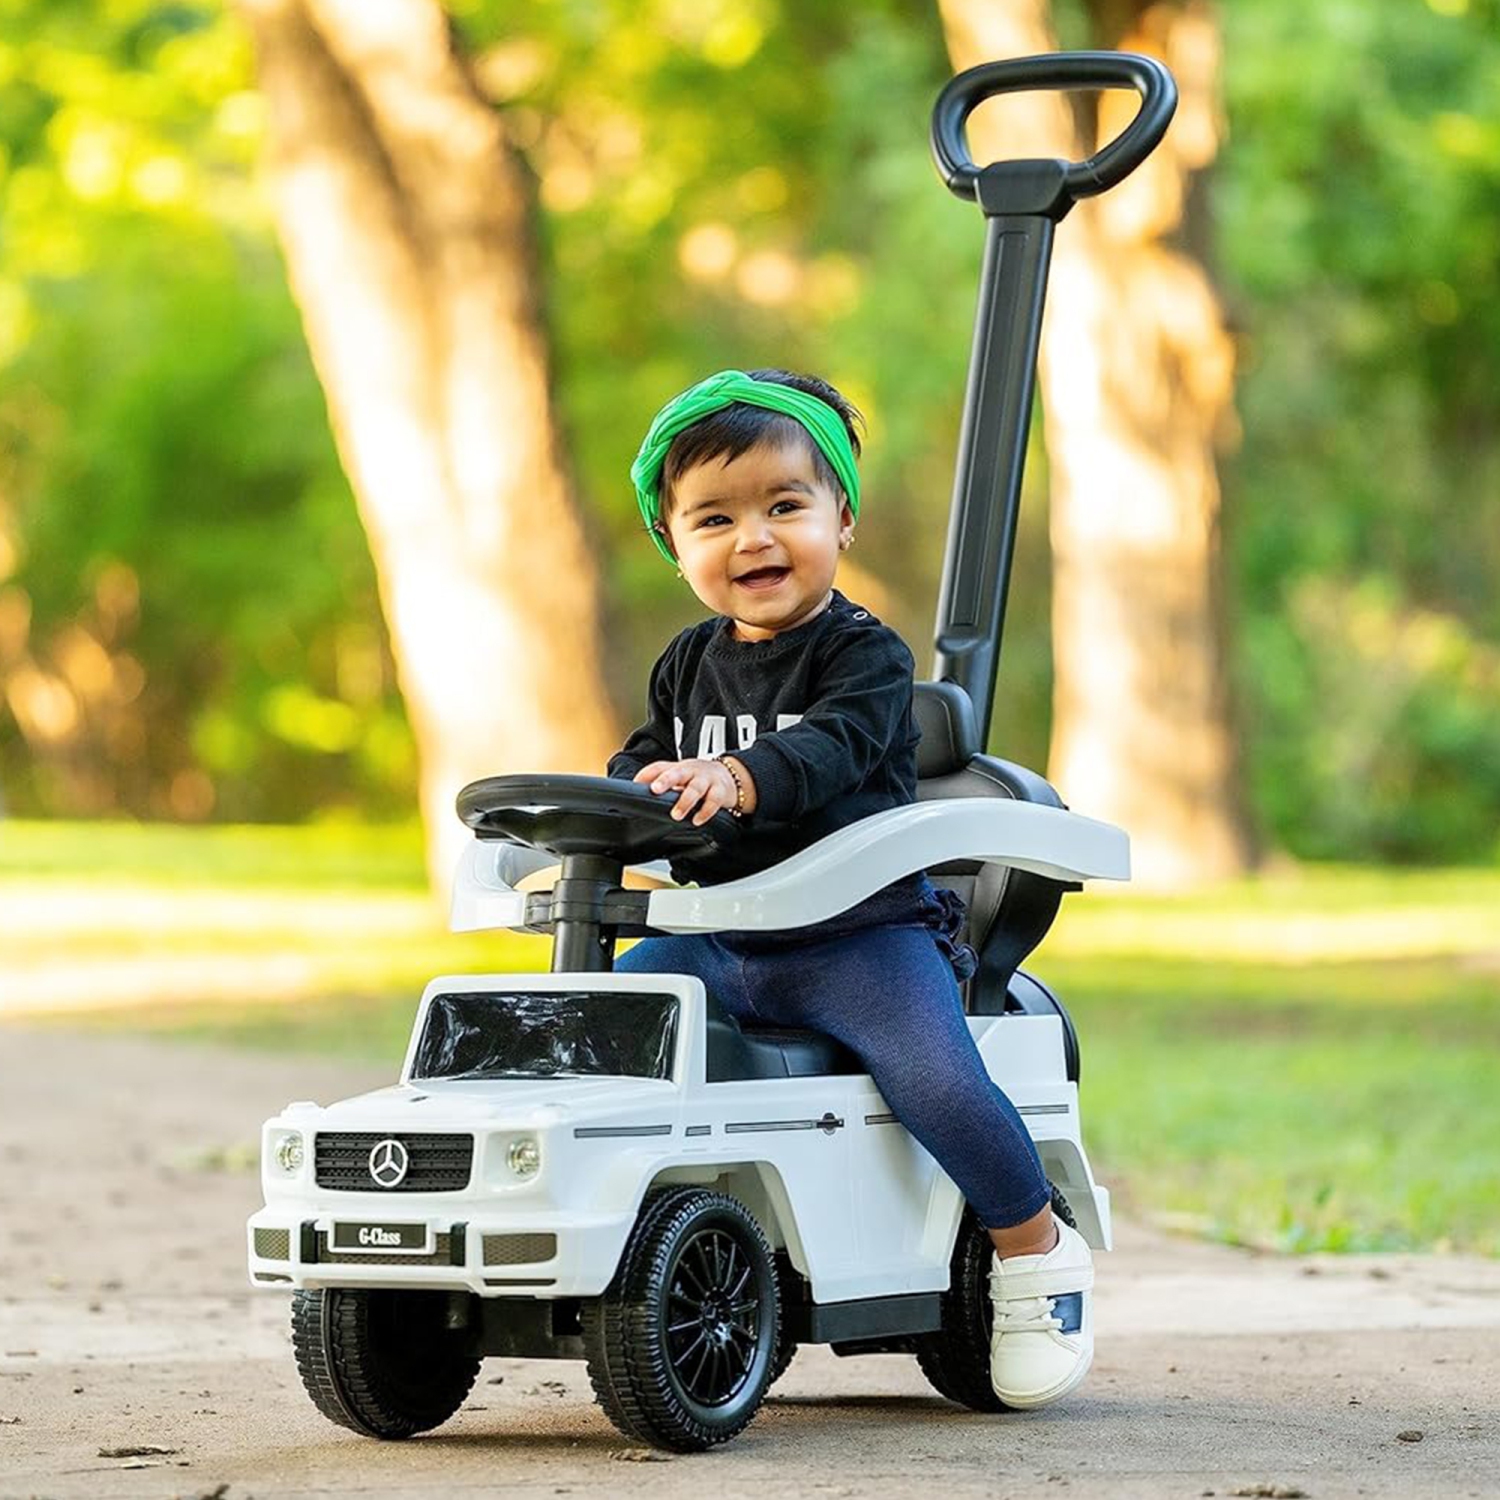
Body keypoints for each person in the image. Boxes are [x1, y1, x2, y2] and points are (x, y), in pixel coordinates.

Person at [607, 366, 1095, 1409]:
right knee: (588, 1020)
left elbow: (830, 750)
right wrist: (623, 795)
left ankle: (1033, 1248)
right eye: (715, 519)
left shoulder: (865, 656)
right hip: (722, 938)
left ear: (842, 518)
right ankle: (613, 1234)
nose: (753, 538)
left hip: (858, 940)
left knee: (934, 1079)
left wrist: (737, 777)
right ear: (673, 543)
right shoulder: (687, 662)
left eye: (785, 506)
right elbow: (644, 756)